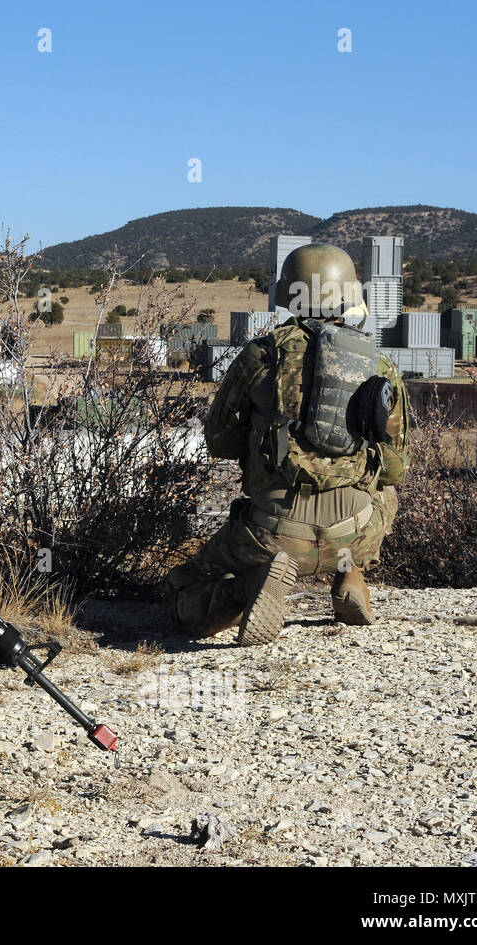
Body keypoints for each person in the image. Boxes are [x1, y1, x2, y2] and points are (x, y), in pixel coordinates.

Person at [165, 242, 409, 645]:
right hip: (355, 529)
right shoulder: (379, 364)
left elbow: (219, 441)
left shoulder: (261, 355)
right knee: (387, 491)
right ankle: (350, 573)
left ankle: (249, 587)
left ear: (290, 293)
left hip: (275, 533)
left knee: (180, 594)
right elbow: (397, 465)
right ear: (349, 293)